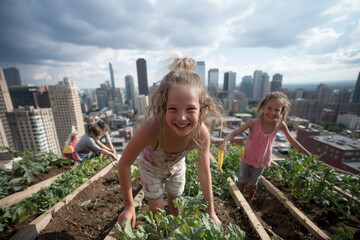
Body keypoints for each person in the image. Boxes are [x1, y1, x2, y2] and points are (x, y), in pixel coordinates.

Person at [117, 56, 223, 229]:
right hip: (151, 169)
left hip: (176, 167)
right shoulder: (151, 129)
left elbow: (204, 171)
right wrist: (129, 206)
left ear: (201, 108)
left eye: (190, 109)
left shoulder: (201, 132)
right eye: (173, 108)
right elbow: (124, 163)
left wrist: (211, 211)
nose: (181, 118)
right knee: (157, 211)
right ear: (163, 107)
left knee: (176, 207)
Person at [219, 91, 311, 204]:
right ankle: (240, 198)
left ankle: (250, 200)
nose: (272, 112)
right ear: (263, 107)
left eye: (277, 110)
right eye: (269, 108)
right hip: (247, 158)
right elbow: (232, 134)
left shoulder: (280, 125)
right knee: (242, 179)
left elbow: (292, 141)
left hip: (262, 161)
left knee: (254, 182)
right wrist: (224, 142)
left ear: (282, 111)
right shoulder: (253, 123)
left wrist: (308, 154)